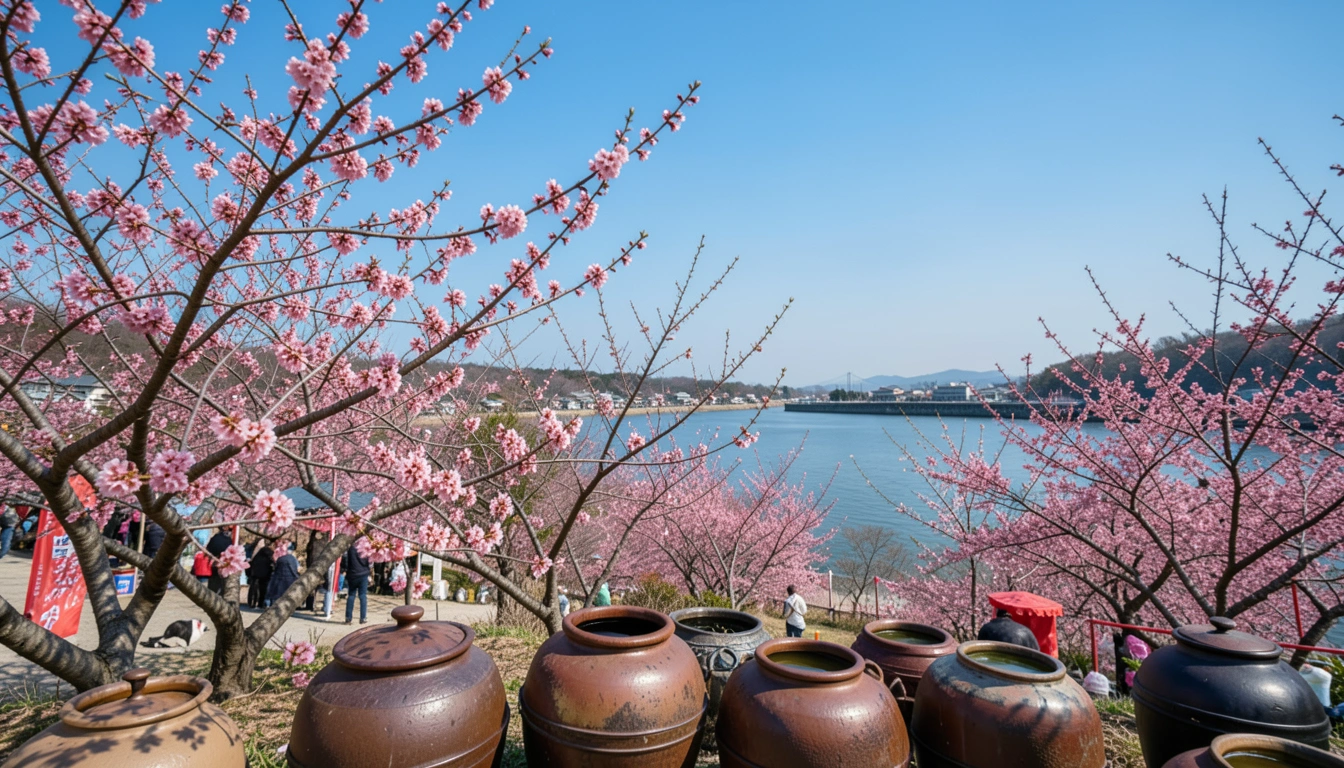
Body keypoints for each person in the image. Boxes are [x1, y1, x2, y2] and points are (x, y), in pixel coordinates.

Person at [342, 544, 371, 625]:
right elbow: (370, 561)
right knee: (363, 596)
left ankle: (348, 618)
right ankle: (363, 618)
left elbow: (345, 560)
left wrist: (346, 569)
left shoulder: (350, 548)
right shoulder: (365, 547)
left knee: (351, 595)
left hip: (352, 574)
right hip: (363, 574)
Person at [266, 541, 300, 607]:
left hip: (279, 578)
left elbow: (276, 568)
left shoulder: (280, 559)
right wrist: (296, 576)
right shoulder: (293, 559)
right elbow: (295, 569)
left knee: (277, 594)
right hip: (290, 579)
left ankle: (272, 605)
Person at [247, 540, 274, 609]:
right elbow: (272, 561)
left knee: (254, 589)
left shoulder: (256, 552)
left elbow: (252, 562)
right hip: (265, 573)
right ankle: (260, 603)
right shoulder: (270, 553)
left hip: (255, 573)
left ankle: (252, 603)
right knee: (263, 589)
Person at [206, 527, 233, 595]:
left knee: (213, 581)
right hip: (224, 562)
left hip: (215, 560)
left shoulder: (215, 538)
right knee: (222, 581)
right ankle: (219, 594)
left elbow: (209, 548)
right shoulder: (228, 540)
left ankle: (211, 594)